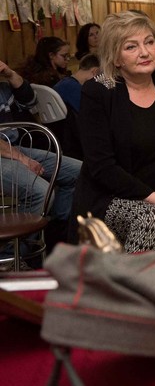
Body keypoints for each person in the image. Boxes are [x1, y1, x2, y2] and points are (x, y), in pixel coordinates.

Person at [71, 12, 155, 270]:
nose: (145, 52)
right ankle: (133, 291)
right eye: (131, 47)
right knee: (151, 219)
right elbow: (102, 166)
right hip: (112, 193)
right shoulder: (98, 91)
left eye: (149, 42)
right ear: (115, 57)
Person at [0, 60, 80, 268]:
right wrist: (23, 159)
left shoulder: (3, 87)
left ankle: (54, 234)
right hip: (6, 152)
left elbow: (30, 102)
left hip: (14, 146)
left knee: (79, 172)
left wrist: (10, 74)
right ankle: (12, 257)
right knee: (40, 191)